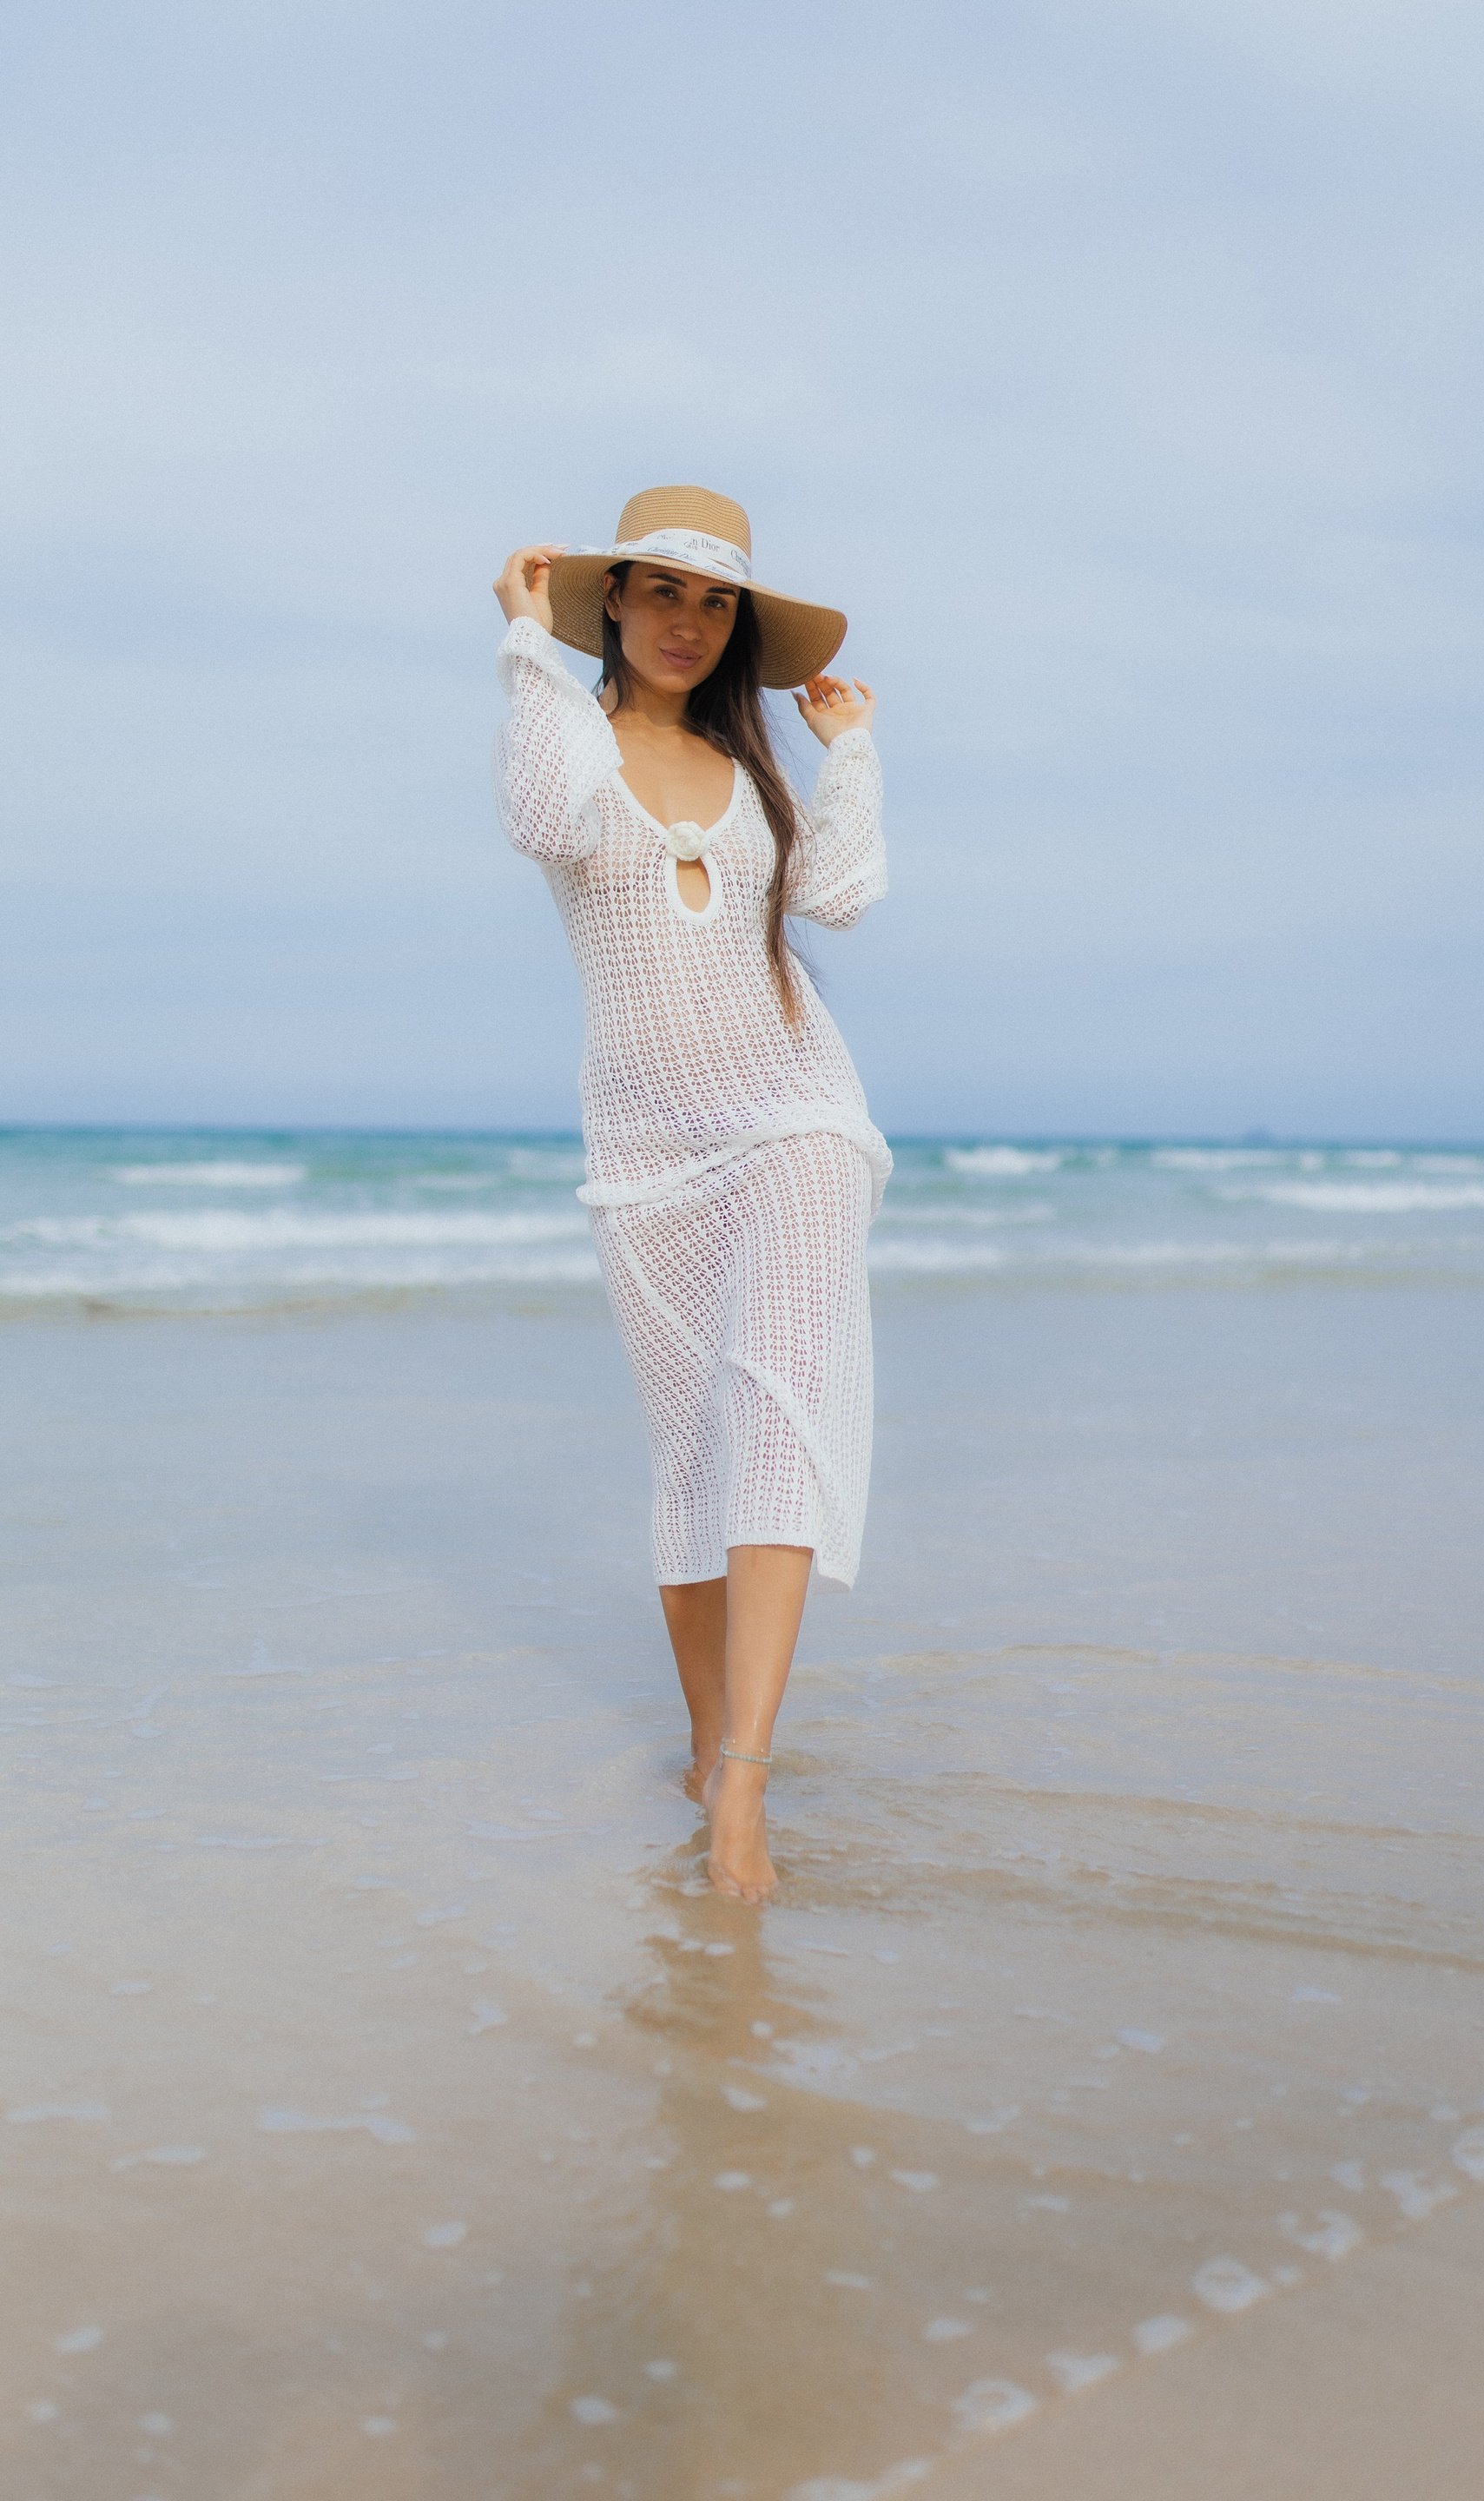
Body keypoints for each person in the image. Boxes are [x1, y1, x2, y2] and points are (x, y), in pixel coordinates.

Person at [491, 485, 889, 1903]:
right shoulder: (567, 738)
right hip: (643, 1147)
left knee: (773, 1416)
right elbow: (540, 816)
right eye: (663, 591)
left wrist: (850, 752)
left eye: (717, 603)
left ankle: (746, 1794)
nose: (689, 623)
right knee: (689, 1458)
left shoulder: (752, 771)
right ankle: (712, 1750)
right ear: (611, 600)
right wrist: (524, 645)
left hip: (796, 1115)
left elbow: (840, 895)